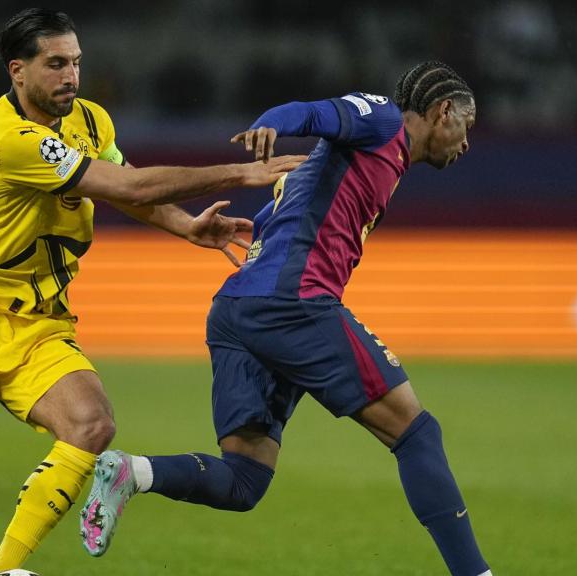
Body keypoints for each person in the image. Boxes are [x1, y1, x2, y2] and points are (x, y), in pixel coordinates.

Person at [0, 9, 303, 576]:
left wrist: (185, 225)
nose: (71, 76)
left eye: (77, 62)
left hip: (39, 320)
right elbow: (124, 184)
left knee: (91, 423)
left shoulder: (90, 121)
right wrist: (241, 173)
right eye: (56, 64)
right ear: (19, 71)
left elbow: (127, 188)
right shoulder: (10, 141)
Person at [80, 61, 493, 576]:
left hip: (235, 311)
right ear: (443, 111)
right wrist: (272, 122)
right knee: (416, 433)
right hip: (292, 303)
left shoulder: (369, 161)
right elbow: (318, 112)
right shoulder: (385, 120)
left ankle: (132, 473)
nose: (467, 143)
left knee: (244, 480)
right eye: (467, 128)